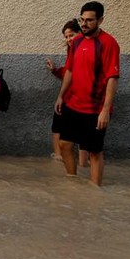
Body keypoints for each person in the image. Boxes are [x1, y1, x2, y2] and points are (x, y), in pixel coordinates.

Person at [54, 1, 120, 186]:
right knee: (64, 145)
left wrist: (105, 110)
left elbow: (112, 78)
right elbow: (69, 70)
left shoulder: (109, 43)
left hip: (95, 109)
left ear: (100, 20)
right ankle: (74, 184)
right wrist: (61, 95)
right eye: (82, 19)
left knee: (94, 152)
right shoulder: (76, 41)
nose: (84, 24)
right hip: (73, 104)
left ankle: (94, 190)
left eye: (89, 20)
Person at [45, 19, 89, 167]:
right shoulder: (72, 50)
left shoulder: (85, 49)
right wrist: (55, 70)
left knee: (83, 131)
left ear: (80, 33)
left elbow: (75, 72)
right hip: (68, 96)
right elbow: (68, 72)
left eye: (71, 35)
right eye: (66, 36)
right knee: (57, 125)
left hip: (79, 98)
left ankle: (82, 163)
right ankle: (59, 159)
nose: (69, 39)